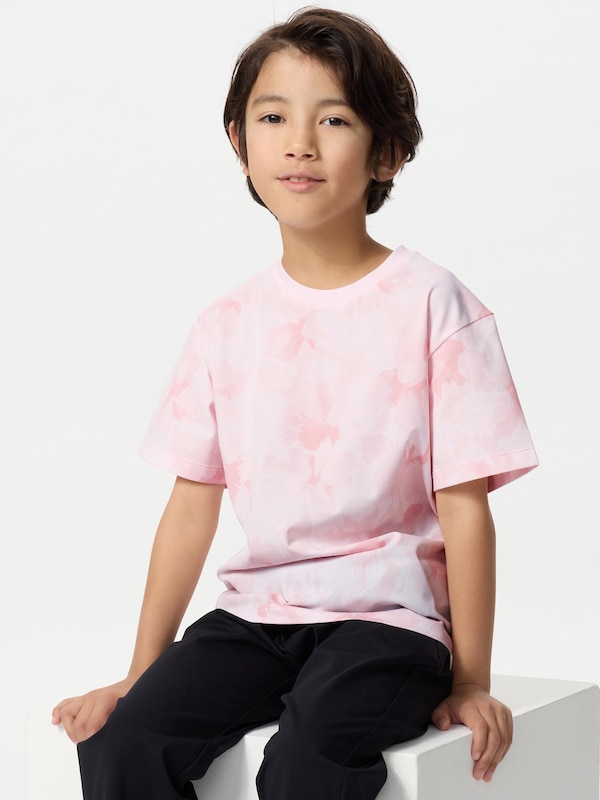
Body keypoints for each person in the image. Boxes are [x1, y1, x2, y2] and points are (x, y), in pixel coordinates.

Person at [52, 8, 538, 800]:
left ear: (387, 153)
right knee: (125, 740)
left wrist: (472, 679)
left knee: (307, 761)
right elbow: (190, 508)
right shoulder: (225, 325)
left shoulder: (434, 305)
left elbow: (465, 506)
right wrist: (142, 674)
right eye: (273, 117)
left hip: (389, 622)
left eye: (334, 119)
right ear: (239, 143)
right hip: (258, 616)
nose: (299, 143)